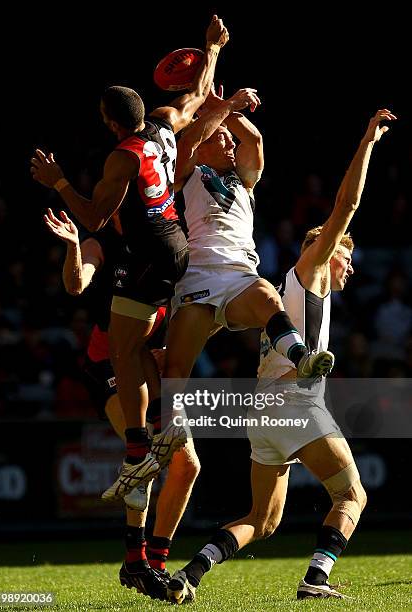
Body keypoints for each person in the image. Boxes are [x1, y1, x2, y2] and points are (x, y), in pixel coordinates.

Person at [166, 108, 397, 603]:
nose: (350, 266)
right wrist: (369, 142)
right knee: (352, 496)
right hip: (296, 401)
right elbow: (347, 204)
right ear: (326, 248)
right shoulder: (311, 268)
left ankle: (190, 573)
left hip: (264, 410)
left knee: (263, 520)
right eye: (346, 256)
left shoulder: (287, 286)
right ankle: (316, 577)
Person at [30, 15, 229, 498]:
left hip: (149, 255)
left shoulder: (121, 156)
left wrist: (58, 183)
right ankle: (163, 427)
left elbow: (96, 217)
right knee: (135, 348)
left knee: (123, 353)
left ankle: (138, 452)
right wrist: (214, 49)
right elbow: (198, 97)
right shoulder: (163, 124)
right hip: (175, 244)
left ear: (111, 122)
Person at [44, 208, 201, 600]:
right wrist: (72, 248)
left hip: (150, 365)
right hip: (108, 364)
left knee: (187, 465)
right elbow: (76, 283)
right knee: (143, 453)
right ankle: (136, 560)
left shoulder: (169, 242)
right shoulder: (104, 243)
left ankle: (155, 564)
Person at [162, 85, 334, 396]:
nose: (230, 141)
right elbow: (187, 142)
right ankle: (167, 429)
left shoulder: (245, 179)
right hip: (197, 275)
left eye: (229, 137)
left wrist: (218, 103)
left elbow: (253, 138)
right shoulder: (186, 173)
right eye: (220, 137)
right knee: (174, 369)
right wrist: (226, 106)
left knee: (269, 297)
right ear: (203, 147)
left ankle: (302, 359)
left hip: (240, 274)